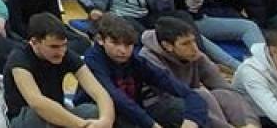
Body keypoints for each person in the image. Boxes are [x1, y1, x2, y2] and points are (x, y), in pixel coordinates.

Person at [78, 14, 208, 128]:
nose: (122, 50)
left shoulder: (136, 60)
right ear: (100, 40)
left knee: (182, 107)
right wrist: (152, 125)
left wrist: (191, 122)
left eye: (128, 45)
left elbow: (188, 93)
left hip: (133, 113)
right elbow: (116, 98)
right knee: (93, 112)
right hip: (104, 112)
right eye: (115, 43)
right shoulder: (92, 60)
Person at [140, 17, 259, 128]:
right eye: (185, 43)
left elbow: (223, 86)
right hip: (159, 104)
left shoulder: (195, 55)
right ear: (167, 46)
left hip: (191, 98)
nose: (194, 48)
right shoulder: (148, 58)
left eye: (194, 41)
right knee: (201, 95)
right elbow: (168, 94)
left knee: (224, 94)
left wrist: (251, 122)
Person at [5, 13, 115, 128]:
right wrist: (82, 125)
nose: (61, 51)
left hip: (59, 116)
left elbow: (100, 92)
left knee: (93, 111)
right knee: (34, 116)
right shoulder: (19, 58)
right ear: (35, 42)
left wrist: (106, 121)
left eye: (64, 45)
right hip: (27, 119)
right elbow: (37, 102)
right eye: (54, 47)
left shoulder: (65, 55)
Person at [161, 0, 264, 70]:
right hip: (180, 28)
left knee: (249, 26)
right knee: (194, 40)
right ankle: (241, 69)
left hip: (200, 20)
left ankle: (266, 63)